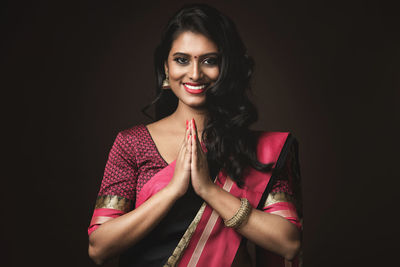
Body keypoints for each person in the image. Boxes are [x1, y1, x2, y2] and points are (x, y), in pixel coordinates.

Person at [88, 4, 302, 267]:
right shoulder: (132, 144)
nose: (195, 73)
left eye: (209, 60)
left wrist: (209, 191)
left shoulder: (257, 150)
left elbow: (288, 243)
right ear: (165, 67)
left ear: (227, 67)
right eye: (182, 60)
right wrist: (173, 191)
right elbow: (99, 247)